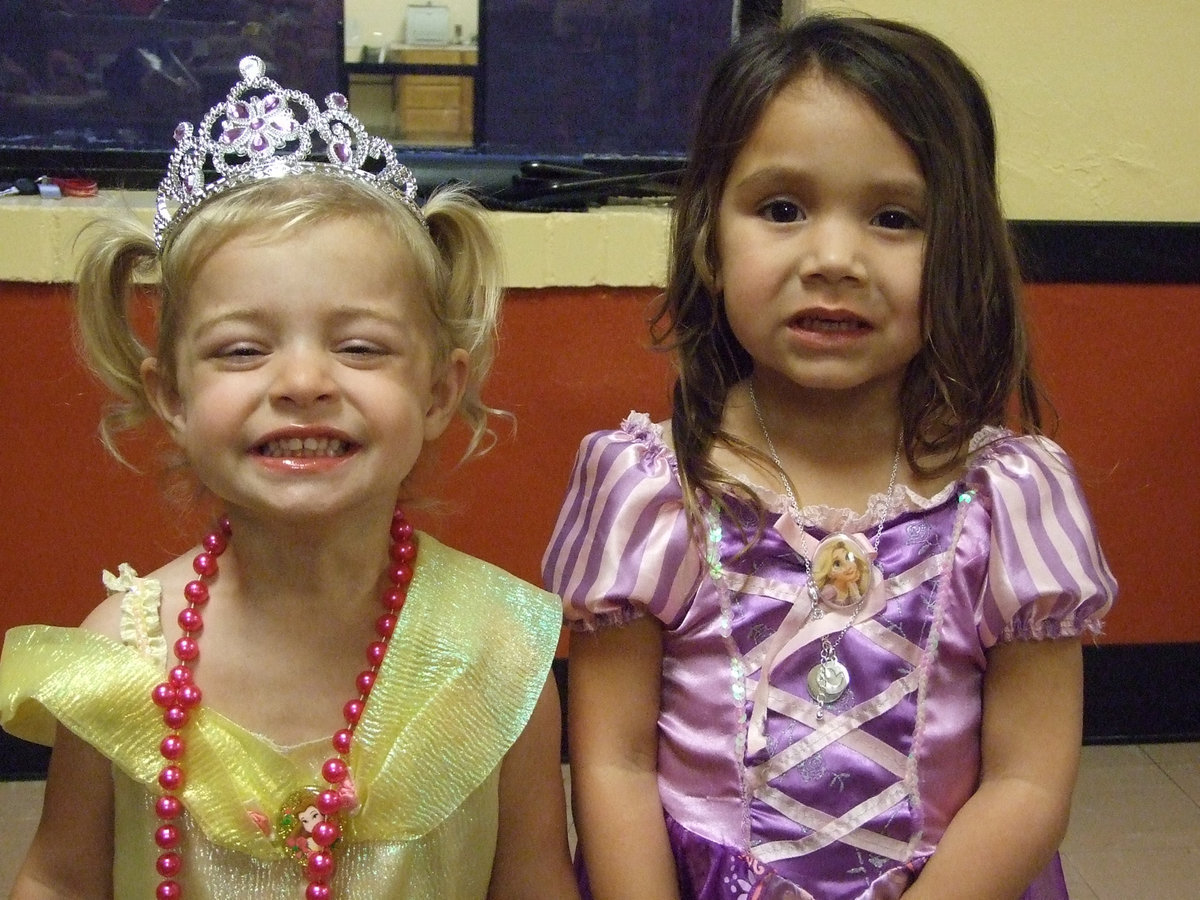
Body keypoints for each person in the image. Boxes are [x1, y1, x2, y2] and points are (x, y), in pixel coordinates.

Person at [543, 14, 1116, 900]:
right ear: (707, 235)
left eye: (895, 217)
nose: (835, 259)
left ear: (959, 247)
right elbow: (613, 762)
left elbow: (1029, 781)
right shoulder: (654, 489)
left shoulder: (1009, 499)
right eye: (782, 209)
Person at [1, 56, 578, 900]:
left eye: (360, 346)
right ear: (172, 397)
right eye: (242, 350)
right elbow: (57, 878)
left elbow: (536, 882)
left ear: (437, 391)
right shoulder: (123, 658)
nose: (303, 382)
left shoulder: (500, 655)